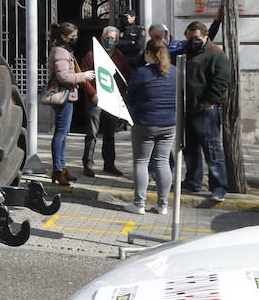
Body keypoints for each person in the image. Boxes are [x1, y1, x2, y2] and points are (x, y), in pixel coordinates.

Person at [124, 38, 177, 214]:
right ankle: (163, 205)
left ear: (148, 53)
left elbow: (129, 98)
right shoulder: (176, 72)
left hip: (145, 123)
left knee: (141, 162)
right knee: (163, 162)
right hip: (169, 123)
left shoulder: (142, 73)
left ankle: (139, 204)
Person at [182, 20, 231, 202]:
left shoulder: (216, 55)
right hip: (189, 110)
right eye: (188, 38)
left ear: (205, 36)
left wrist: (208, 102)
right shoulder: (187, 52)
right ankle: (192, 182)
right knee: (191, 150)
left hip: (206, 111)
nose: (191, 41)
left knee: (212, 150)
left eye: (194, 38)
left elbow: (221, 81)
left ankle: (218, 188)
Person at [79, 26, 131, 178]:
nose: (109, 41)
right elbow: (84, 78)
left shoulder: (120, 57)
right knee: (92, 134)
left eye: (112, 39)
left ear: (117, 41)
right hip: (95, 100)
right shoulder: (92, 55)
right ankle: (88, 164)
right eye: (106, 38)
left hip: (112, 102)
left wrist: (120, 96)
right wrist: (93, 94)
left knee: (110, 134)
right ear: (101, 39)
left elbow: (125, 77)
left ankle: (109, 164)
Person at [48, 22, 96, 186]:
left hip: (67, 95)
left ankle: (62, 169)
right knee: (60, 135)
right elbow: (64, 77)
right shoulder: (60, 51)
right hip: (63, 95)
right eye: (72, 36)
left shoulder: (63, 50)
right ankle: (57, 170)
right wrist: (84, 76)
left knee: (63, 134)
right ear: (63, 37)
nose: (75, 38)